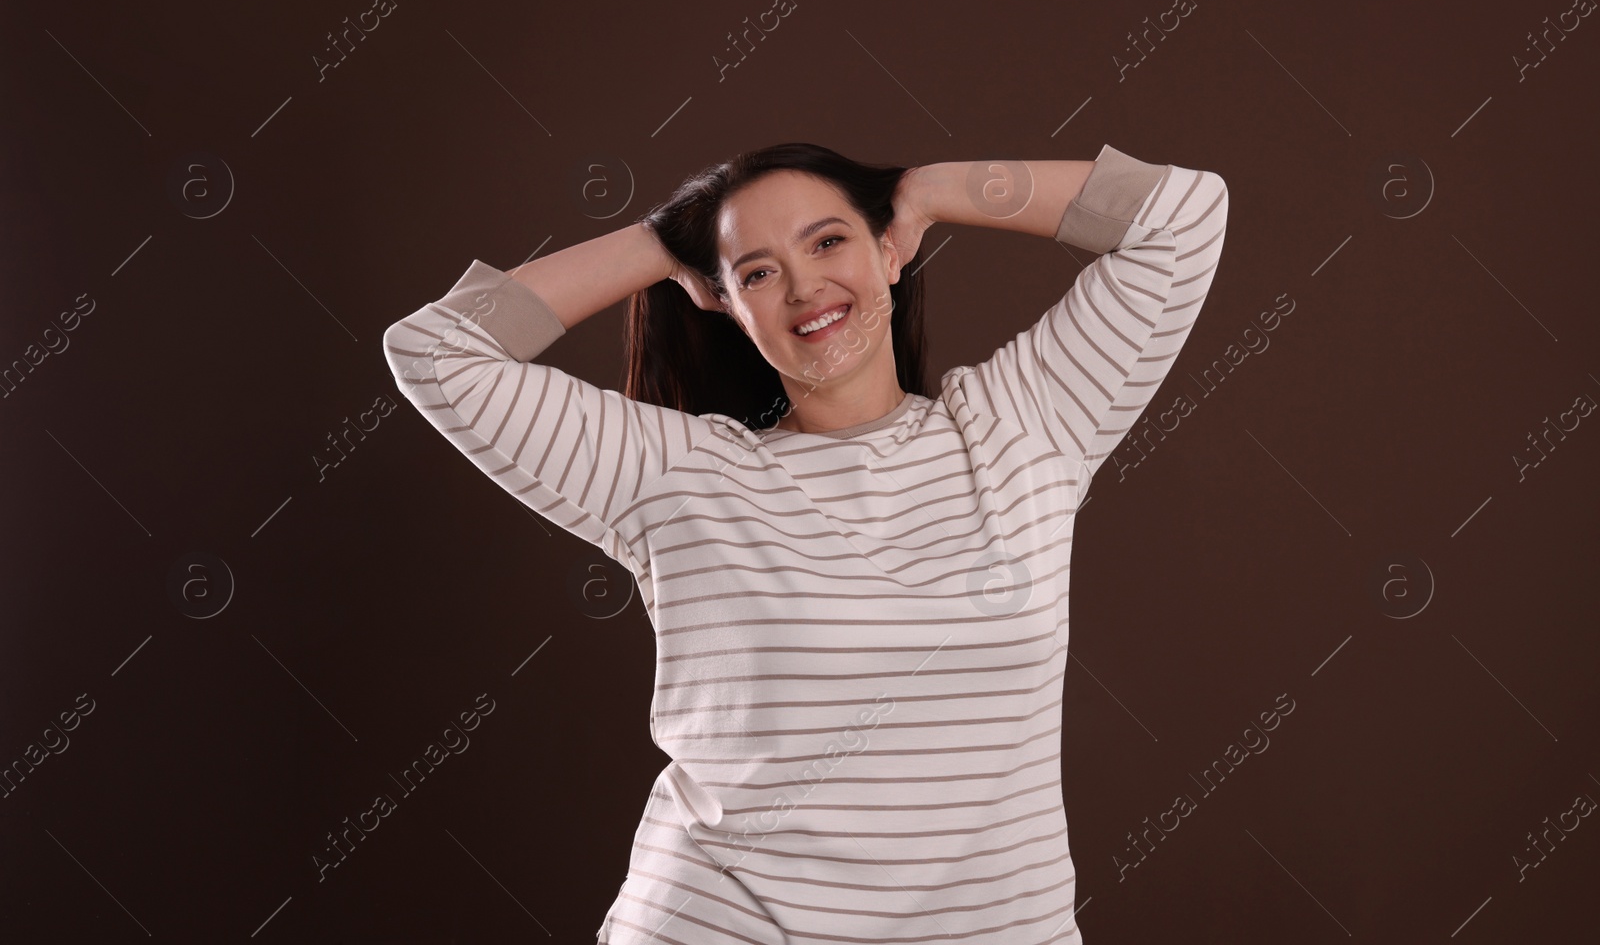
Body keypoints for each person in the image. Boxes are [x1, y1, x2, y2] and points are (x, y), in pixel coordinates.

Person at [383, 142, 1228, 944]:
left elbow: (1184, 214)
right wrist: (661, 240)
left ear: (889, 252)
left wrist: (929, 191)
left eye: (829, 242)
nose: (804, 286)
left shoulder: (1024, 428)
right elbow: (435, 349)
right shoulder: (682, 475)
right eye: (758, 270)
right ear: (720, 299)